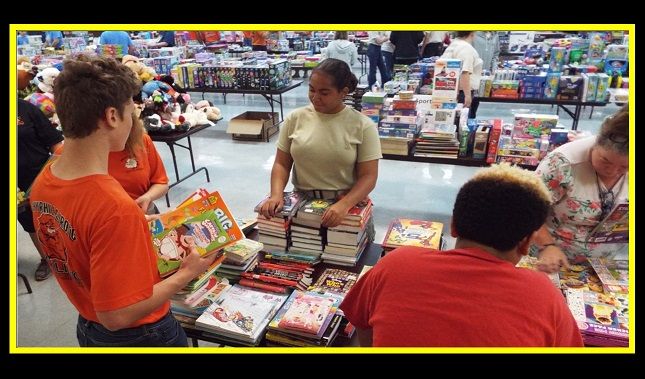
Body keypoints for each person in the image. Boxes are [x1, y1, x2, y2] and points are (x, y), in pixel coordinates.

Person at [29, 55, 216, 347]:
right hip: (140, 335)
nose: (134, 122)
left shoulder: (46, 178)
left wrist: (133, 227)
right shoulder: (113, 206)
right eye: (132, 113)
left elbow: (79, 236)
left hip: (87, 325)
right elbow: (117, 315)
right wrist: (188, 273)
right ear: (112, 116)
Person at [339, 163, 584, 347]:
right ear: (526, 242)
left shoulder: (396, 264)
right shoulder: (543, 295)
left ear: (453, 225)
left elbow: (362, 325)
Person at [259, 58, 381, 229]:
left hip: (344, 205)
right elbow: (282, 163)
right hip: (301, 204)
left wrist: (345, 204)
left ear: (343, 92)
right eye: (311, 90)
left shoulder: (363, 125)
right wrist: (276, 195)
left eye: (324, 93)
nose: (315, 98)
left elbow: (368, 176)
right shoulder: (295, 118)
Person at [533, 105, 629, 273]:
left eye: (625, 167)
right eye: (605, 161)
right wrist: (547, 245)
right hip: (550, 259)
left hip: (603, 265)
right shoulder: (562, 163)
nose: (613, 171)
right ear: (597, 142)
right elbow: (525, 210)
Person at [55, 111, 169, 214]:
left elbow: (161, 183)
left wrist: (147, 197)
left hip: (143, 214)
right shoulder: (69, 154)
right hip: (104, 223)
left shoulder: (141, 141)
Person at [17, 99, 64, 281]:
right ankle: (47, 259)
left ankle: (71, 256)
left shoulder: (25, 108)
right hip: (16, 186)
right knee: (29, 222)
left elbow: (56, 145)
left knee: (54, 219)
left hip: (40, 178)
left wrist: (46, 175)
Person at [440, 31, 483, 112]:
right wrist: (467, 96)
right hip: (462, 92)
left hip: (449, 90)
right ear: (472, 33)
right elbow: (465, 72)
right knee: (462, 119)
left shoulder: (454, 44)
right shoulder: (466, 48)